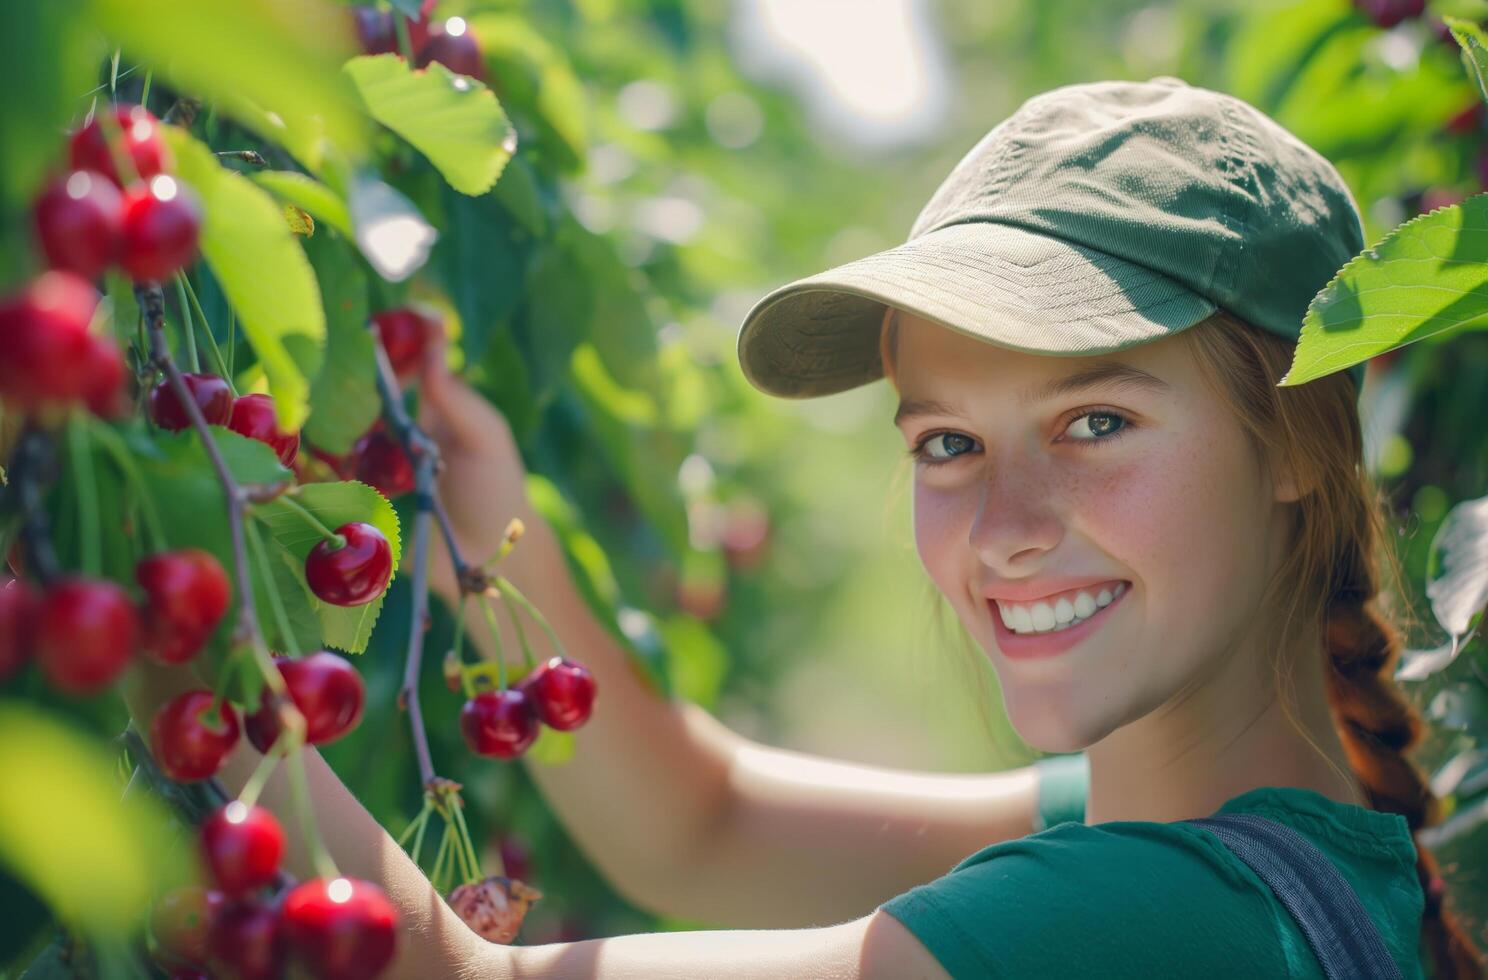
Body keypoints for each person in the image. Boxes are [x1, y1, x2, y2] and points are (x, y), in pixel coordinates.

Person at [123, 76, 1485, 978]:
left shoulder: (1147, 922)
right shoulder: (1265, 834)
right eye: (948, 443)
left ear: (1297, 445)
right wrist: (488, 521)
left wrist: (156, 603)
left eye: (1097, 424)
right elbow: (698, 827)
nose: (1006, 527)